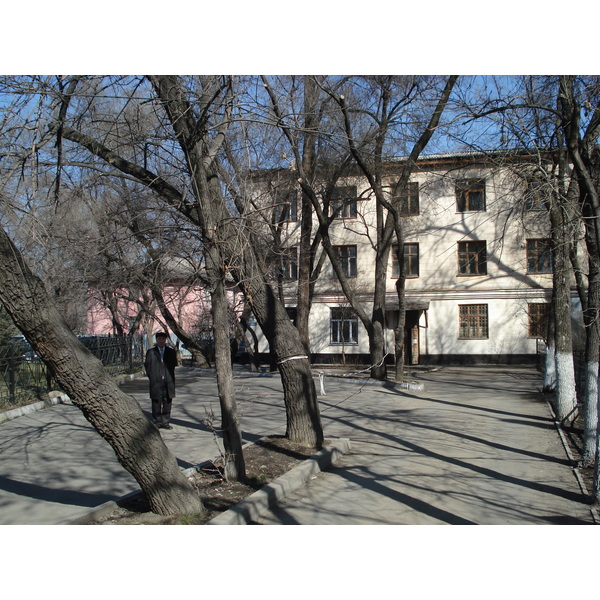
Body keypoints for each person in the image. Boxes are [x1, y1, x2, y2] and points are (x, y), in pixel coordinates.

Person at [144, 332, 178, 430]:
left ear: (165, 340)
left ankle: (165, 422)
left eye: (163, 339)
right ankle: (157, 422)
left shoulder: (171, 352)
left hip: (168, 381)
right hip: (156, 381)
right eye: (159, 339)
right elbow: (147, 366)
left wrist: (168, 376)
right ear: (157, 340)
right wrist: (152, 376)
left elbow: (173, 365)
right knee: (156, 401)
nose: (161, 341)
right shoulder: (151, 352)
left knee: (167, 401)